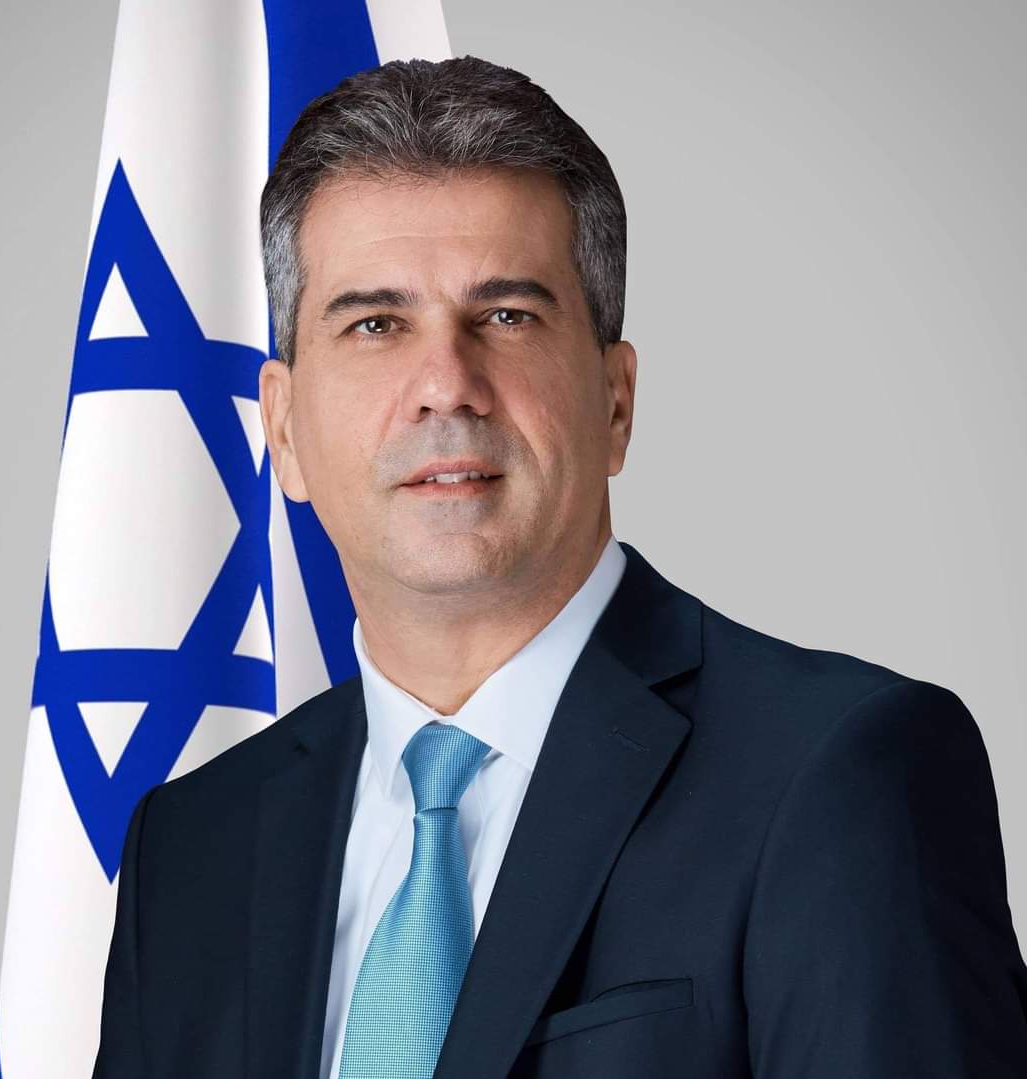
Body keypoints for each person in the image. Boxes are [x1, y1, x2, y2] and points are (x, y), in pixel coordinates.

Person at [91, 56, 1027, 1079]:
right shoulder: (192, 850)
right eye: (375, 323)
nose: (445, 384)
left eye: (506, 315)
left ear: (616, 402)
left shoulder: (841, 775)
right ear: (283, 429)